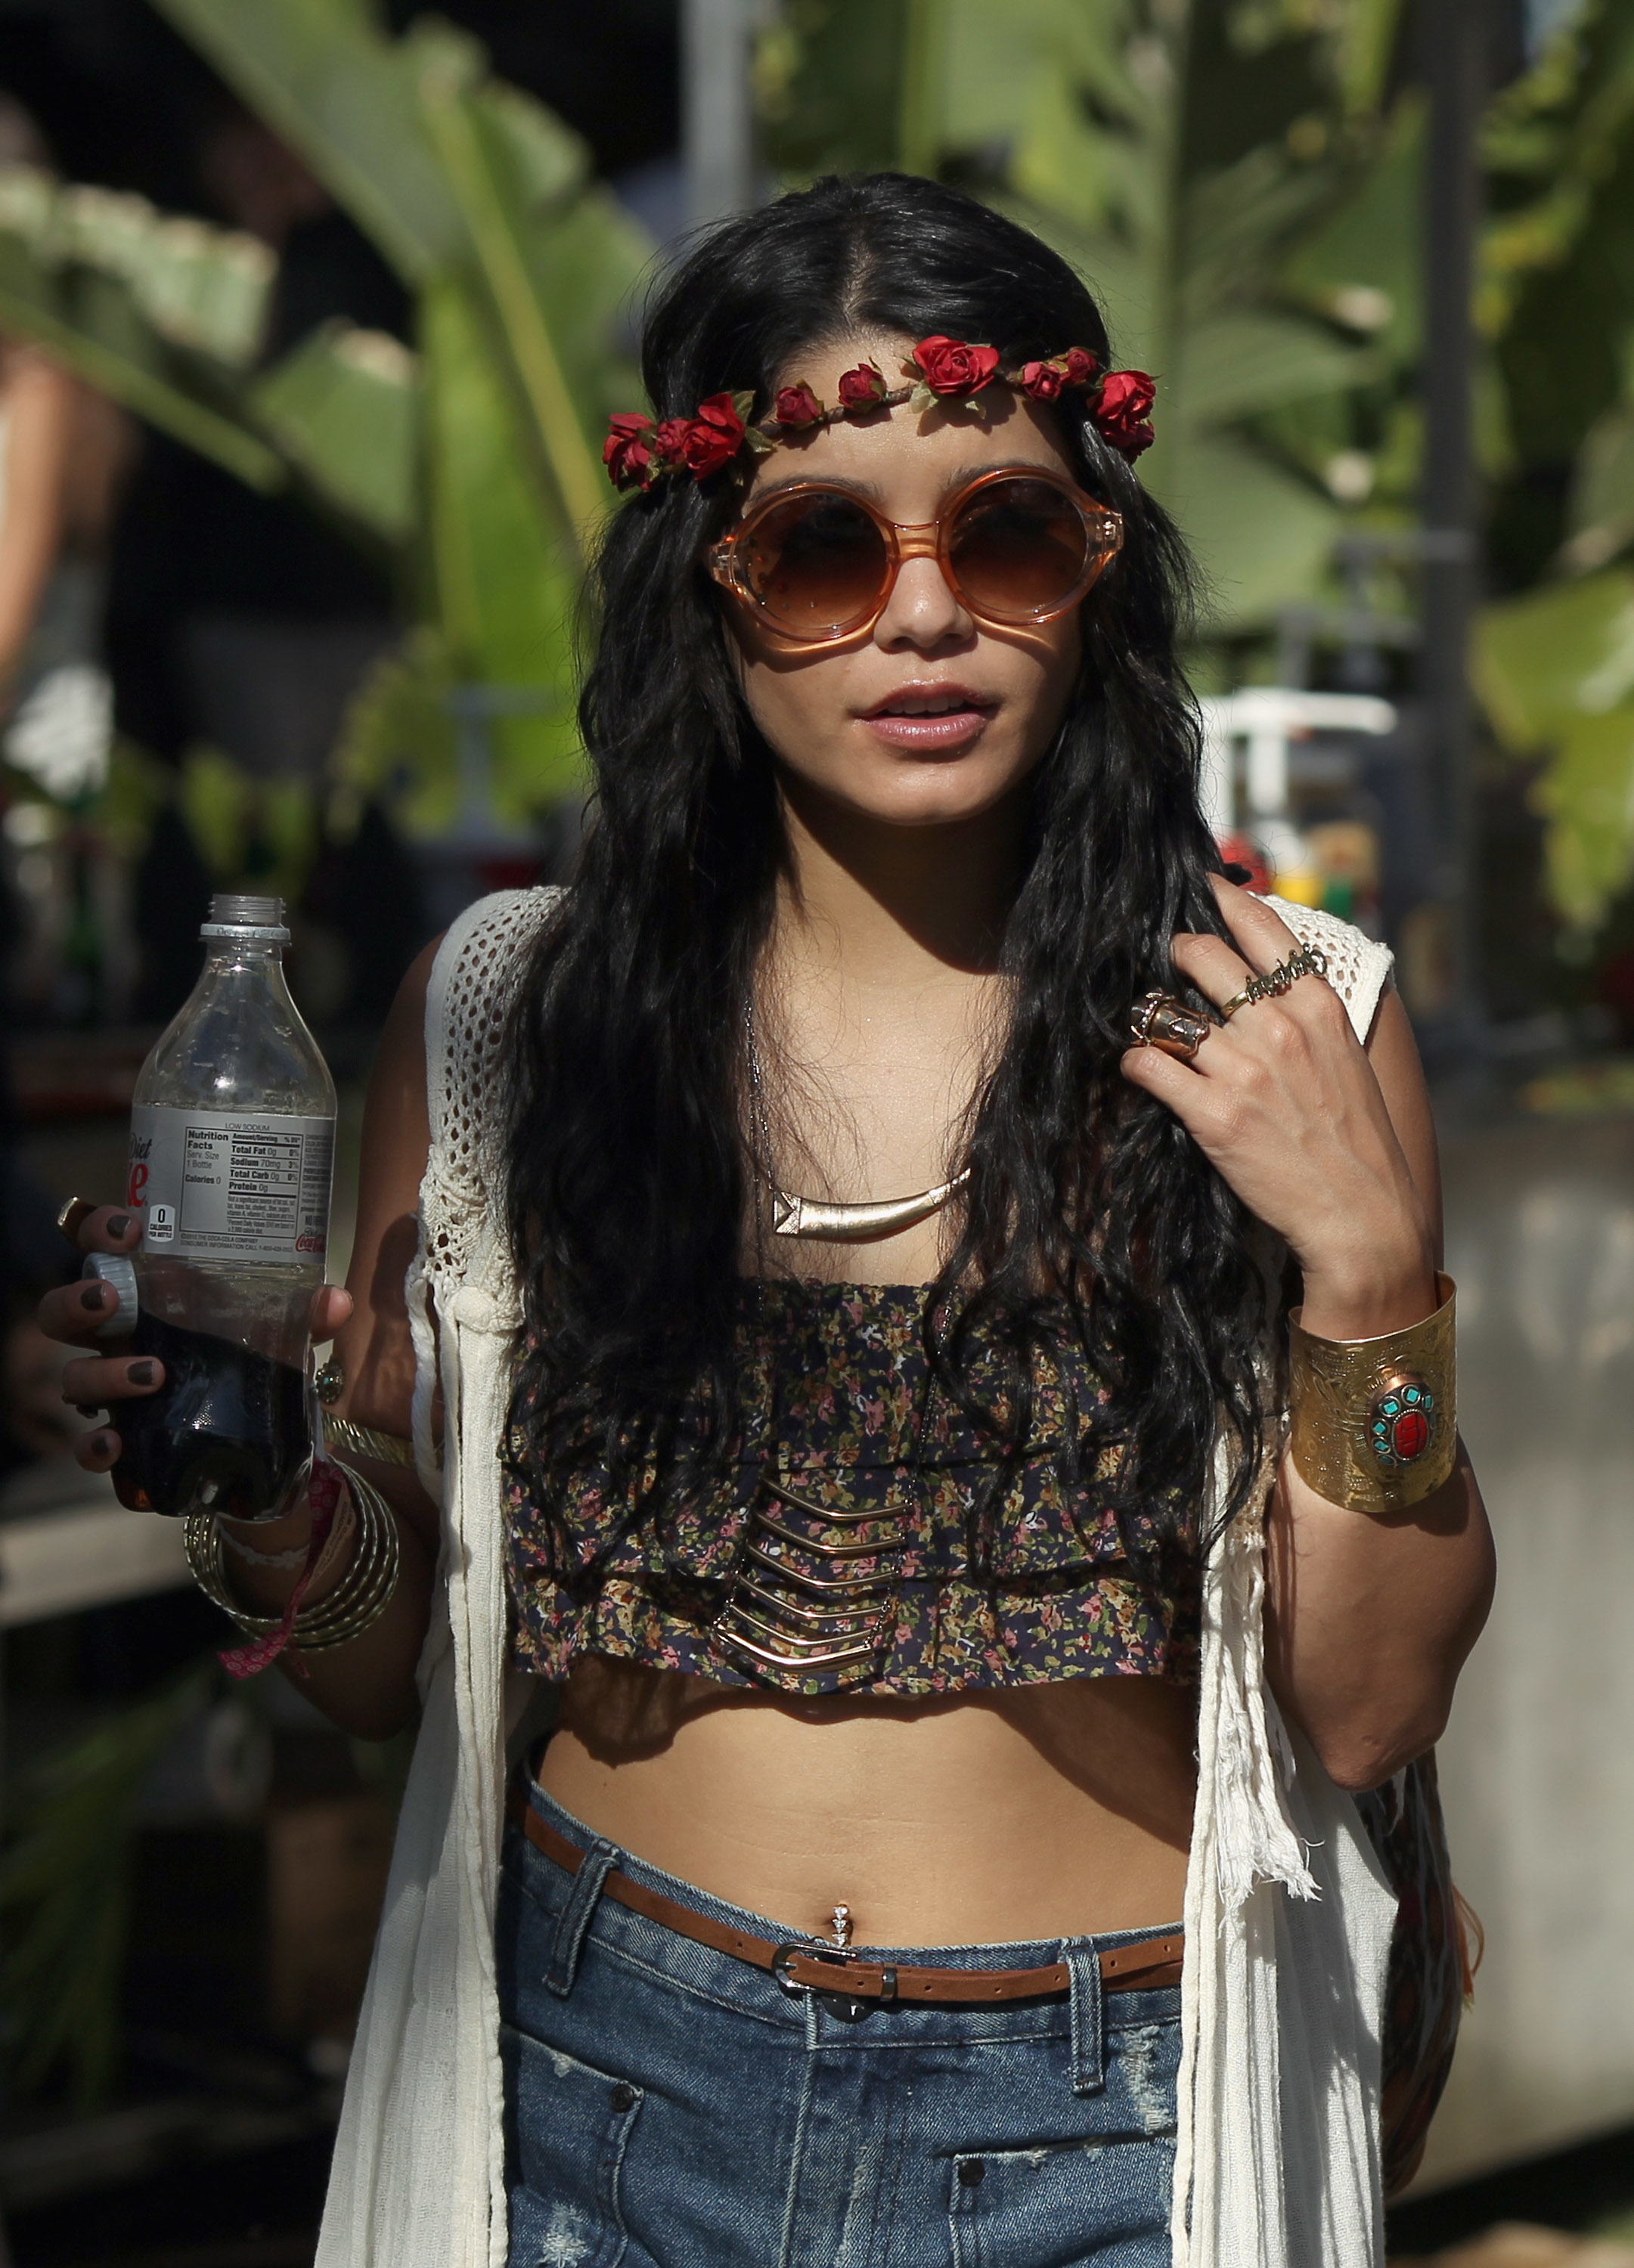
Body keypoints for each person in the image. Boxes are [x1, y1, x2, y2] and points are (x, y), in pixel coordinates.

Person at [42, 175, 1493, 2267]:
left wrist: (1364, 1276)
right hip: (604, 2091)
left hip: (1106, 2135)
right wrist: (263, 1490)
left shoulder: (1281, 1023)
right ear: (703, 585)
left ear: (1093, 571)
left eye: (1000, 533)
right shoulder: (506, 1027)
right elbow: (372, 1675)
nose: (921, 616)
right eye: (822, 547)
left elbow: (1365, 1713)